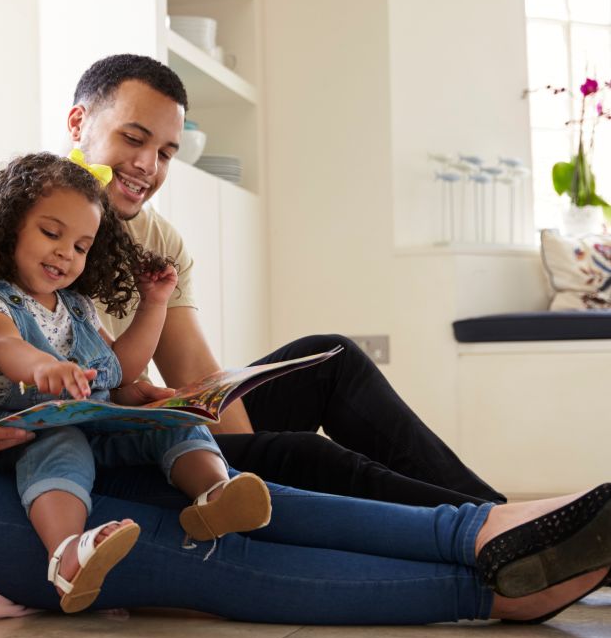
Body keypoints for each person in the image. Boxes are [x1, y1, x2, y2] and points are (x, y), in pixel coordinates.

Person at [0, 43, 610, 625]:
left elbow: (10, 355)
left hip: (3, 449)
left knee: (227, 489)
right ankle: (486, 591)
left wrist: (132, 401)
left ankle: (476, 531)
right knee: (186, 549)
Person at [66, 54, 507, 508]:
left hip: (165, 428)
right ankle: (487, 531)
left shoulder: (158, 238)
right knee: (310, 455)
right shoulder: (27, 223)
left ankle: (497, 515)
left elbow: (195, 375)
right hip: (106, 445)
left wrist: (246, 460)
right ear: (79, 123)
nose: (147, 165)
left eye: (164, 153)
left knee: (331, 360)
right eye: (133, 138)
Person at [0, 151, 271, 611]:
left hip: (95, 424)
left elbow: (119, 369)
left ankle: (214, 494)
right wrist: (41, 368)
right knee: (61, 444)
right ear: (10, 227)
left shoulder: (77, 308)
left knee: (169, 419)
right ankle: (66, 556)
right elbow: (4, 346)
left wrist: (155, 304)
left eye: (82, 246)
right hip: (25, 432)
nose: (66, 253)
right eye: (51, 234)